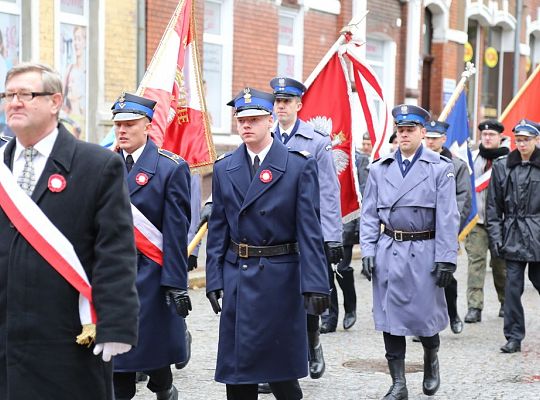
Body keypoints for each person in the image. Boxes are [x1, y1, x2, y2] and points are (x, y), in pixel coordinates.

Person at [0, 62, 139, 399]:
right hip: (5, 331)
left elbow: (115, 251)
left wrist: (117, 323)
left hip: (67, 333)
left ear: (55, 101)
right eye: (9, 94)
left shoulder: (96, 165)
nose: (14, 102)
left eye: (26, 94)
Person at [205, 87, 330, 400]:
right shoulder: (224, 168)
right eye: (241, 119)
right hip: (239, 276)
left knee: (282, 377)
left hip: (280, 277)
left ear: (270, 121)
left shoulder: (298, 166)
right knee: (238, 376)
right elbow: (218, 227)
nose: (246, 125)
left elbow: (310, 231)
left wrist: (316, 284)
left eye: (255, 119)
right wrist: (214, 277)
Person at [360, 104, 459, 398]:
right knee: (390, 319)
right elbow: (368, 214)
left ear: (422, 132)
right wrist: (367, 249)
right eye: (400, 130)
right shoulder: (380, 169)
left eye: (409, 130)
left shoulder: (440, 168)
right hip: (389, 250)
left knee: (424, 319)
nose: (403, 135)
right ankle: (398, 383)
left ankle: (431, 357)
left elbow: (447, 217)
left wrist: (445, 259)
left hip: (425, 249)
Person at [111, 93, 192, 400]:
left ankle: (163, 387)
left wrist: (175, 283)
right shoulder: (104, 164)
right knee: (117, 361)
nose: (122, 130)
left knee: (151, 350)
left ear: (147, 126)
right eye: (118, 124)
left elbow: (175, 231)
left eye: (130, 124)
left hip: (150, 272)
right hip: (113, 273)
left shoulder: (170, 168)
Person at [270, 77, 343, 376]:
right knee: (275, 297)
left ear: (299, 105)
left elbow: (328, 190)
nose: (281, 106)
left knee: (309, 293)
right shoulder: (266, 135)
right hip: (273, 232)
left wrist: (332, 236)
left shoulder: (317, 141)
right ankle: (279, 357)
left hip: (307, 232)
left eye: (287, 101)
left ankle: (313, 342)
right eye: (277, 101)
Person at [486, 119, 540, 354]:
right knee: (512, 289)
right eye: (518, 140)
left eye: (526, 140)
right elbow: (493, 207)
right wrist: (496, 238)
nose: (522, 144)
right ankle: (514, 336)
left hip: (538, 234)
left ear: (537, 140)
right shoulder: (502, 166)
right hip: (513, 234)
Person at [424, 120, 472, 334]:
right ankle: (424, 324)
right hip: (422, 230)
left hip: (446, 230)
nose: (431, 142)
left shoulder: (457, 165)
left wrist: (451, 227)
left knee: (447, 277)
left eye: (435, 138)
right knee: (422, 278)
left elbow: (463, 198)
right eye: (429, 138)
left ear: (444, 139)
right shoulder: (420, 162)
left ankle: (452, 314)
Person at [464, 120, 509, 323]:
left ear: (500, 137)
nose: (488, 138)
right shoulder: (472, 159)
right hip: (477, 221)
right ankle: (474, 307)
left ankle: (506, 303)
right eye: (484, 135)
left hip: (501, 223)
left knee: (502, 266)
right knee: (476, 264)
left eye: (492, 135)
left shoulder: (509, 160)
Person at [323, 148, 370, 333]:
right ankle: (329, 317)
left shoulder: (359, 160)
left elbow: (365, 196)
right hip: (324, 224)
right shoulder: (321, 154)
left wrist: (359, 229)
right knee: (325, 273)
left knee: (341, 269)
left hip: (347, 223)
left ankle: (350, 307)